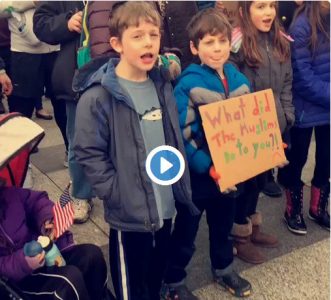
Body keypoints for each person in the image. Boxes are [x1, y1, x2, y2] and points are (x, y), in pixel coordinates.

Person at [73, 3, 198, 300]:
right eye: (138, 36)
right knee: (132, 287)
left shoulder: (161, 84)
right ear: (116, 43)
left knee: (155, 277)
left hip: (164, 205)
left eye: (153, 35)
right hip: (129, 214)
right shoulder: (98, 96)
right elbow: (88, 152)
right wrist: (115, 191)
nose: (148, 43)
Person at [161, 8, 252, 300]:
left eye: (222, 41)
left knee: (223, 223)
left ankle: (223, 267)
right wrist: (206, 165)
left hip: (231, 170)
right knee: (187, 228)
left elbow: (250, 123)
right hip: (200, 176)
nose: (217, 48)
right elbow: (183, 134)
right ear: (194, 47)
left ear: (230, 43)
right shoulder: (188, 83)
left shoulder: (239, 79)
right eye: (209, 42)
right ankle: (173, 279)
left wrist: (266, 144)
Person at [229, 1, 294, 264]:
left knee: (261, 181)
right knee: (245, 186)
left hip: (274, 124)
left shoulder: (280, 40)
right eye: (260, 6)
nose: (268, 13)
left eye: (271, 5)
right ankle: (238, 237)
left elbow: (287, 82)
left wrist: (287, 116)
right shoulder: (238, 44)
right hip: (248, 129)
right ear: (245, 11)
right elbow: (232, 83)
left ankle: (253, 228)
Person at [33, 1, 93, 223]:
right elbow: (40, 23)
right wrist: (67, 23)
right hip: (76, 77)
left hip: (117, 72)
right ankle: (80, 194)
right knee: (78, 141)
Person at [0, 181, 111, 300]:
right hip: (17, 281)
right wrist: (23, 262)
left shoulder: (9, 194)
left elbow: (36, 202)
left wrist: (46, 219)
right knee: (69, 280)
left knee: (91, 255)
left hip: (42, 252)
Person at [278, 1, 330, 234]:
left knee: (326, 159)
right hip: (305, 108)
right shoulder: (301, 26)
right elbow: (301, 75)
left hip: (327, 106)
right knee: (297, 159)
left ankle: (318, 208)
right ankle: (293, 209)